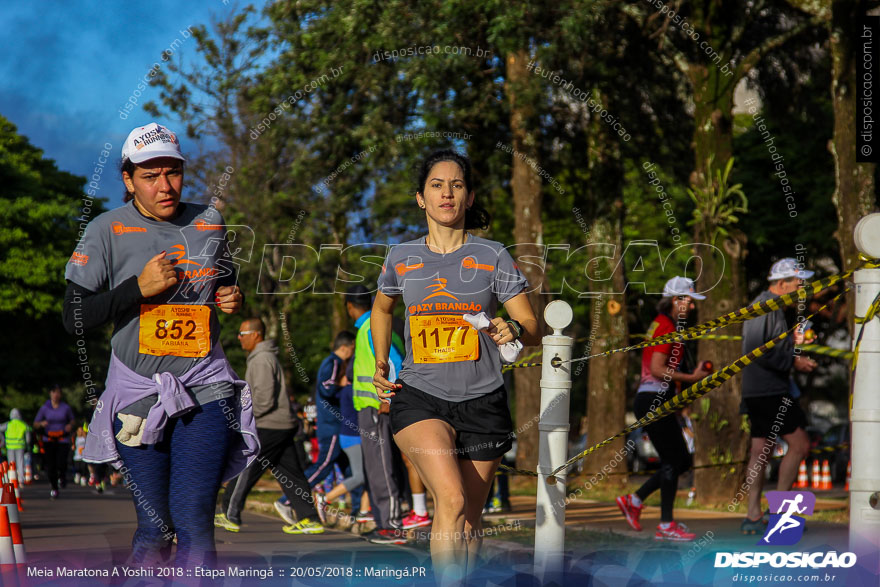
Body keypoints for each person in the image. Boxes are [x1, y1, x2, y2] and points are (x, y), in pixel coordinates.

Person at [63, 122, 259, 568]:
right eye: (150, 176)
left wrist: (232, 296)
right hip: (136, 393)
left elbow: (224, 278)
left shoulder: (208, 221)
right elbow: (72, 318)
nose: (164, 186)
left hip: (205, 386)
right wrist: (138, 288)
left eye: (173, 173)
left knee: (194, 522)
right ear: (129, 180)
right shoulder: (105, 230)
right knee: (156, 529)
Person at [372, 149, 540, 583]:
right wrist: (380, 363)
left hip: (483, 400)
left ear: (468, 197)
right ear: (420, 199)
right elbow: (382, 309)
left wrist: (513, 331)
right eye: (436, 185)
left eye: (457, 185)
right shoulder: (402, 256)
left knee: (470, 519)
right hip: (419, 396)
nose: (447, 193)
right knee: (451, 500)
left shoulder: (493, 255)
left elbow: (529, 322)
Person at [616, 277, 711, 541]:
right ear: (674, 301)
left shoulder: (665, 324)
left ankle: (634, 500)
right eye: (688, 300)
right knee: (674, 461)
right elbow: (657, 369)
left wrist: (687, 384)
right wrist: (693, 379)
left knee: (680, 460)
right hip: (652, 400)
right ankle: (666, 525)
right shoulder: (666, 326)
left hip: (657, 399)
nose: (691, 306)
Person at [216, 318, 323, 535]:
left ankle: (230, 514)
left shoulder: (261, 359)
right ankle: (309, 518)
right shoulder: (263, 357)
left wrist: (245, 421)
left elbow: (264, 399)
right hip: (282, 425)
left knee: (245, 464)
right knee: (291, 473)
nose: (239, 338)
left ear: (256, 335)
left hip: (269, 425)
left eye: (242, 334)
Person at [740, 258, 817, 534]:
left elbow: (768, 345)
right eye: (798, 283)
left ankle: (753, 515)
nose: (801, 288)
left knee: (760, 451)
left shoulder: (771, 307)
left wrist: (795, 345)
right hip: (769, 390)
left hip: (759, 389)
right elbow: (758, 349)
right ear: (782, 284)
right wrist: (795, 362)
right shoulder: (765, 307)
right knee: (799, 445)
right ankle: (780, 514)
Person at [348, 284, 408, 544]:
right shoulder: (373, 326)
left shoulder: (370, 328)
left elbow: (392, 360)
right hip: (371, 408)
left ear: (350, 306)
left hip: (377, 406)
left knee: (382, 467)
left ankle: (392, 525)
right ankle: (385, 522)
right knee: (378, 467)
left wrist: (390, 395)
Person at [306, 331, 356, 511]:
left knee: (351, 471)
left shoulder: (332, 362)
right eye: (353, 347)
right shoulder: (335, 362)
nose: (354, 351)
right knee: (324, 466)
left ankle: (358, 510)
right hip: (332, 424)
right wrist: (341, 385)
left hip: (336, 425)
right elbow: (326, 387)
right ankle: (291, 496)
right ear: (345, 347)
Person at [33, 386, 75, 499]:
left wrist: (70, 425)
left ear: (60, 395)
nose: (56, 395)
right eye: (54, 393)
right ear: (50, 394)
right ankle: (54, 487)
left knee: (61, 462)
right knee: (51, 465)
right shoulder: (44, 408)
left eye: (58, 393)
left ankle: (62, 476)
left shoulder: (65, 408)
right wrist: (41, 424)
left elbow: (72, 420)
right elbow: (35, 424)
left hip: (62, 439)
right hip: (49, 439)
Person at [1, 409, 32, 488]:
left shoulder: (8, 424)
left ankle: (11, 480)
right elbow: (28, 439)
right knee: (20, 463)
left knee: (11, 463)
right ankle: (21, 481)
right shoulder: (23, 425)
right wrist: (27, 445)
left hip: (10, 447)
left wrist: (2, 441)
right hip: (20, 446)